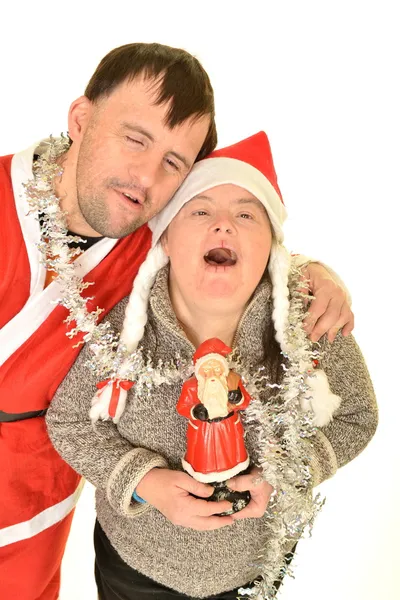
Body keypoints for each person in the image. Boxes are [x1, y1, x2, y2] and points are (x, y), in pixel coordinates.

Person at [0, 43, 352, 600]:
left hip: (37, 495)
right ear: (81, 118)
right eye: (135, 138)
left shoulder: (144, 239)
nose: (144, 175)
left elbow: (230, 238)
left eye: (173, 163)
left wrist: (312, 271)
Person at [46, 131, 377, 600]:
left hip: (253, 567)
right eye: (200, 211)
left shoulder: (309, 319)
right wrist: (145, 480)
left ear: (272, 247)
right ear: (166, 240)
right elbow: (70, 419)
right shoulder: (125, 330)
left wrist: (287, 474)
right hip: (137, 563)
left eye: (246, 214)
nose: (224, 226)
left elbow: (358, 415)